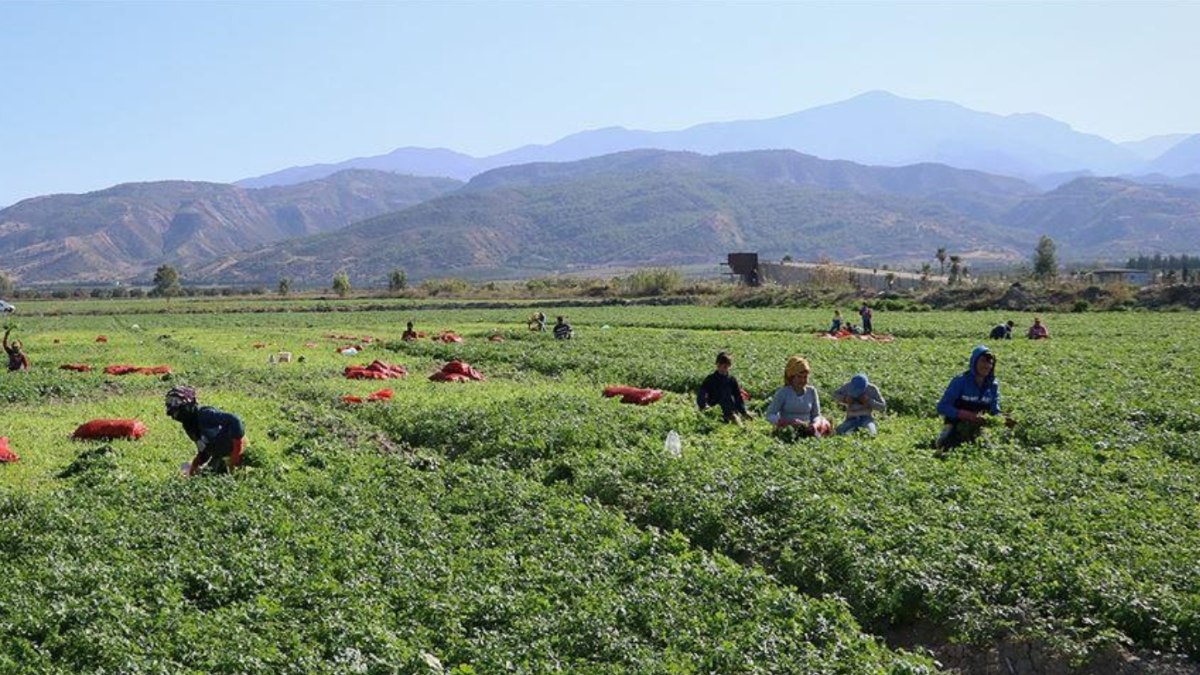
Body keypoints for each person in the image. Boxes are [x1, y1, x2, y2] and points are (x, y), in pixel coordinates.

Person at [934, 346, 1013, 450]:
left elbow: (994, 409)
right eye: (983, 361)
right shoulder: (960, 381)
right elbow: (942, 407)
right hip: (956, 422)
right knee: (947, 446)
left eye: (990, 362)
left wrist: (1002, 419)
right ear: (974, 362)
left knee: (987, 448)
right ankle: (946, 433)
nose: (987, 365)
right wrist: (967, 415)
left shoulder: (993, 385)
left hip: (979, 425)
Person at [166, 385, 246, 476]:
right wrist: (194, 465)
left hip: (236, 453)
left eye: (176, 402)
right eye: (169, 402)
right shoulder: (189, 426)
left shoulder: (205, 415)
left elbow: (235, 420)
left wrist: (237, 452)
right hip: (220, 457)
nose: (172, 406)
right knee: (206, 476)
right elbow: (204, 448)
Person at [765, 355, 830, 437]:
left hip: (808, 429)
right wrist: (786, 422)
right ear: (791, 377)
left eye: (805, 377)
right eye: (799, 377)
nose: (802, 380)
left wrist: (814, 425)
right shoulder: (783, 393)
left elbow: (816, 415)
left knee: (824, 424)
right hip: (789, 429)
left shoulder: (812, 391)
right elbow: (770, 415)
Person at [696, 351, 751, 424]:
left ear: (729, 366)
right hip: (714, 410)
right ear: (717, 365)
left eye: (725, 366)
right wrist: (703, 406)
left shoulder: (732, 380)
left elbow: (738, 397)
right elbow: (701, 393)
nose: (723, 368)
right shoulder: (710, 379)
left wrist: (744, 412)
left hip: (729, 410)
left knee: (736, 422)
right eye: (720, 365)